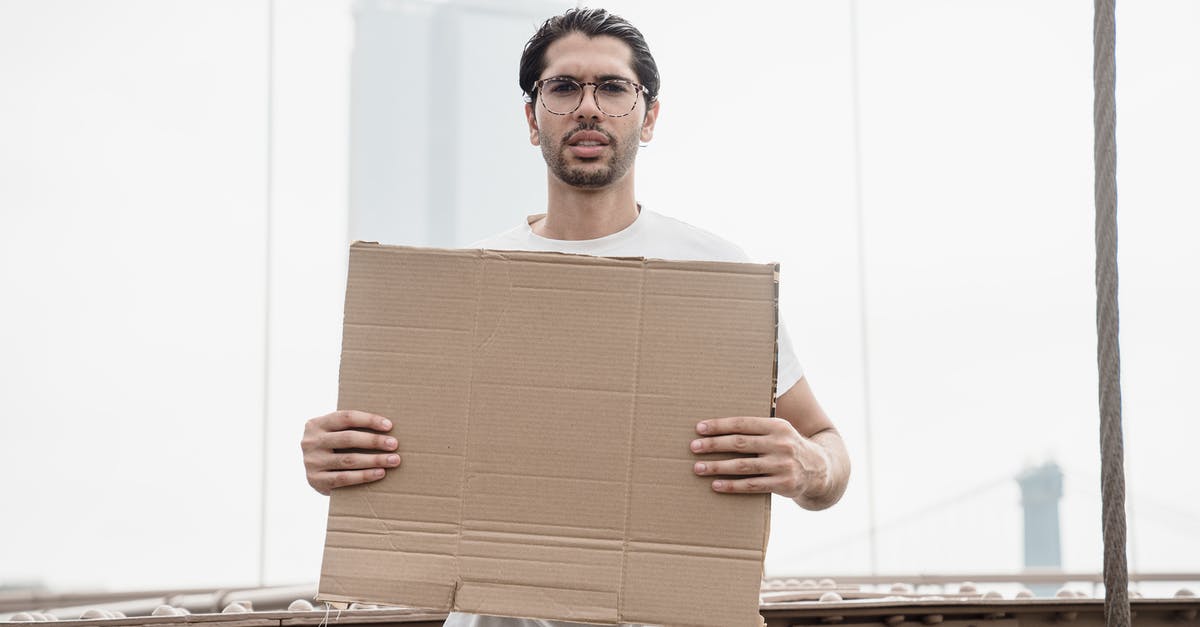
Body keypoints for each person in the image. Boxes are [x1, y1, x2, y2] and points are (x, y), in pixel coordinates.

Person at [301, 8, 851, 627]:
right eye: (563, 87)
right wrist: (338, 461)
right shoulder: (472, 284)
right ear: (533, 120)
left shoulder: (718, 276)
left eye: (613, 87)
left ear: (650, 118)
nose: (588, 107)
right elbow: (399, 468)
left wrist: (810, 466)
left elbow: (827, 447)